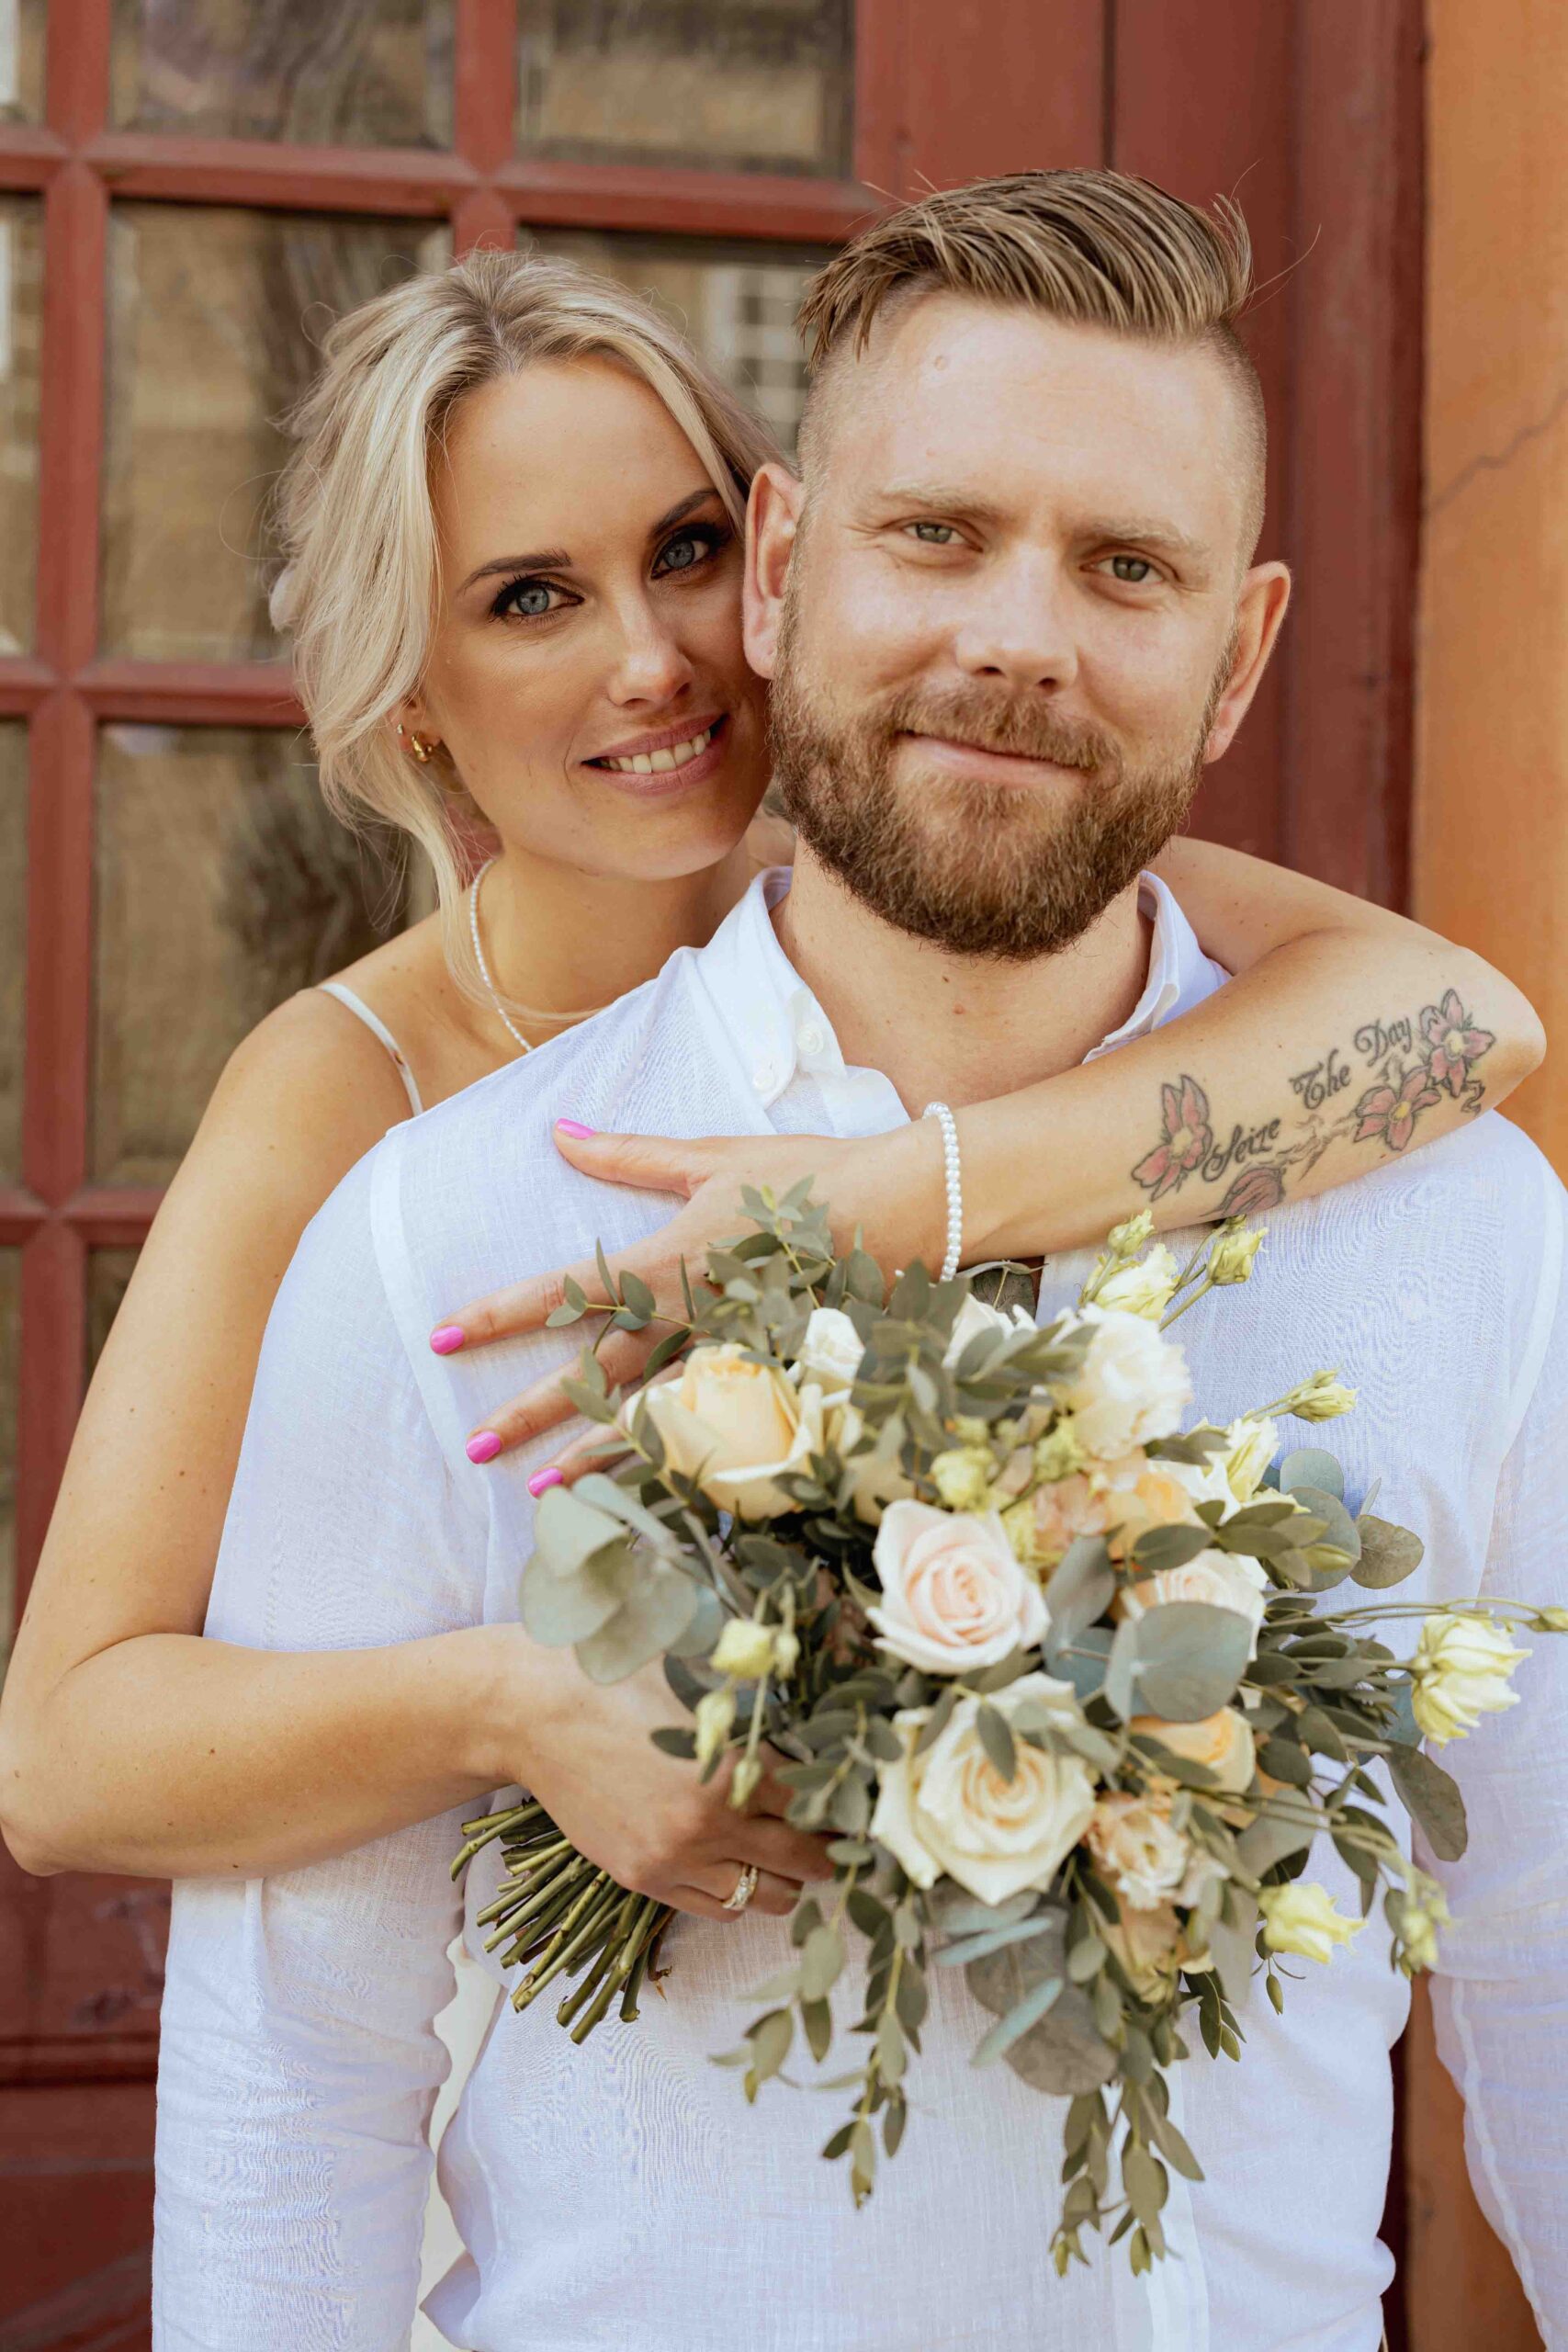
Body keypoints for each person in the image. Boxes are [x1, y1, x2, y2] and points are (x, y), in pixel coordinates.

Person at [147, 174, 1567, 2350]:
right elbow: (296, 2059)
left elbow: (1546, 1946)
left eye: (1124, 567)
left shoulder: (1458, 1229)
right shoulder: (449, 1223)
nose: (1019, 634)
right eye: (938, 533)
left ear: (1238, 651)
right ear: (795, 565)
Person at [0, 254, 1532, 1894]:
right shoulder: (345, 1084)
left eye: (685, 552)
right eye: (532, 597)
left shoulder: (915, 885)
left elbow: (1466, 1021)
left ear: (777, 568)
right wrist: (506, 1707)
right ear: (418, 699)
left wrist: (880, 1202)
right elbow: (64, 1766)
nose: (654, 658)